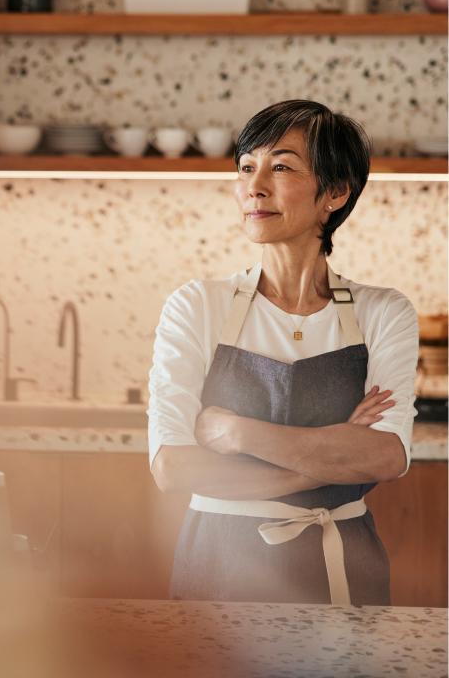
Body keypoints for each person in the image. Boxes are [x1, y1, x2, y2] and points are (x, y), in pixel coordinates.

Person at [147, 99, 419, 606]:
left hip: (343, 562)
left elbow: (385, 455)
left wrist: (235, 432)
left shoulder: (384, 312)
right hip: (220, 565)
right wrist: (328, 460)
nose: (255, 185)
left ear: (335, 193)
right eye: (247, 167)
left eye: (281, 166)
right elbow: (174, 469)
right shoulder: (198, 306)